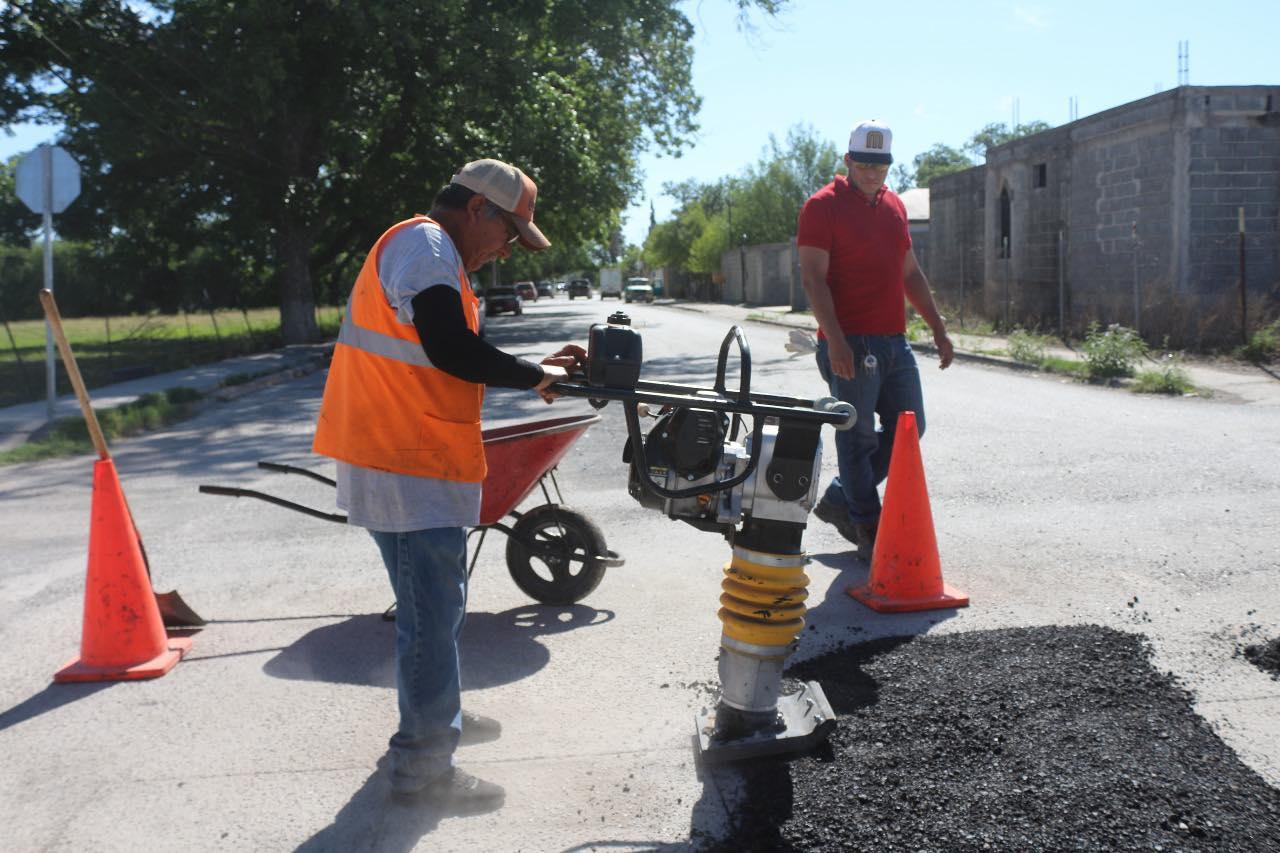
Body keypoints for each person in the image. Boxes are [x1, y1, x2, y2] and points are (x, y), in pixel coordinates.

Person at [312, 158, 585, 807]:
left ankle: (442, 713)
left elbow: (445, 353)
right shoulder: (426, 245)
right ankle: (424, 763)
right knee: (431, 614)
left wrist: (536, 371)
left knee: (437, 604)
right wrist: (535, 373)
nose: (509, 248)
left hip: (410, 456)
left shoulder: (435, 257)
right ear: (477, 210)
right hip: (401, 460)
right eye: (510, 232)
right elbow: (449, 348)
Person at [797, 120, 954, 555]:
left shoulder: (894, 207)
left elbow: (910, 273)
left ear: (888, 166)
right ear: (848, 161)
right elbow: (813, 279)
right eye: (864, 164)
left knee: (910, 426)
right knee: (858, 435)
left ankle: (843, 498)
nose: (872, 173)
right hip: (850, 342)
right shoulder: (822, 206)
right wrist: (836, 340)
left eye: (880, 165)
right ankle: (867, 523)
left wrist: (938, 329)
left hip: (894, 341)